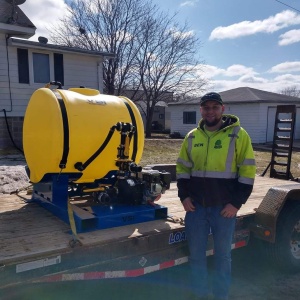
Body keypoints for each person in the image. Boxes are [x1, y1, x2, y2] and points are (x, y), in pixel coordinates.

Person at [176, 92, 256, 300]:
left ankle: (221, 296)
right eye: (206, 107)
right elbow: (182, 169)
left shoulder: (238, 135)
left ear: (223, 108)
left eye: (214, 107)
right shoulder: (192, 136)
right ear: (201, 110)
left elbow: (247, 173)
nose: (210, 111)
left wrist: (236, 204)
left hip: (224, 210)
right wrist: (184, 197)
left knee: (222, 257)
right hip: (196, 208)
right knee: (196, 258)